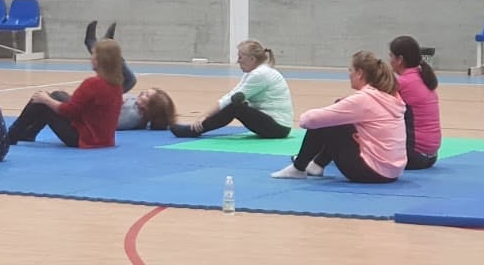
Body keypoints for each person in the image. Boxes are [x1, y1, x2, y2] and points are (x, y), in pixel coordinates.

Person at [272, 51, 406, 183]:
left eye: (350, 70)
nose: (349, 74)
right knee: (337, 118)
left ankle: (298, 167)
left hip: (373, 172)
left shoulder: (364, 100)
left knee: (326, 121)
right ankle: (317, 164)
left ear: (359, 73)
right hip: (393, 171)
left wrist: (310, 115)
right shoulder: (389, 96)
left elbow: (309, 121)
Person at [6, 38, 124, 149]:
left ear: (100, 60)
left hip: (85, 139)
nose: (91, 58)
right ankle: (28, 134)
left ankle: (11, 136)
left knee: (41, 100)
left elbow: (69, 111)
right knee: (57, 95)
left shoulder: (92, 84)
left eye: (93, 54)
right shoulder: (117, 84)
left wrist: (46, 100)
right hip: (105, 139)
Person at [169, 39, 293, 139]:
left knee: (236, 107)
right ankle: (197, 128)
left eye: (240, 57)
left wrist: (204, 116)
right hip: (277, 126)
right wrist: (205, 115)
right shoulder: (254, 72)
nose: (238, 60)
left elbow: (231, 99)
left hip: (278, 128)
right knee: (238, 104)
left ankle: (195, 130)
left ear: (252, 59)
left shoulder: (259, 74)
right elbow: (231, 95)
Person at [391, 35, 441, 170]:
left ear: (400, 59)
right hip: (431, 156)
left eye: (391, 56)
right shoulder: (423, 76)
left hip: (414, 156)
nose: (389, 61)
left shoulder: (403, 82)